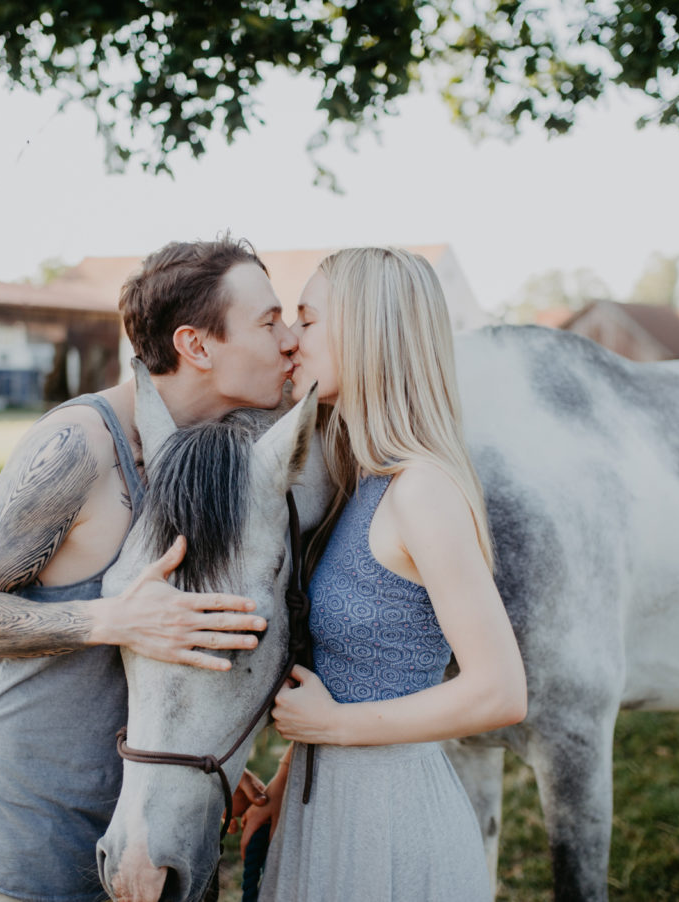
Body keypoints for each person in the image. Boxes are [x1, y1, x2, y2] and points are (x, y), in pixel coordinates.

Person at [0, 235, 297, 902]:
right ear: (197, 346)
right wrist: (114, 619)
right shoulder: (81, 444)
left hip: (141, 837)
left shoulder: (206, 461)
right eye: (270, 322)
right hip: (23, 844)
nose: (291, 340)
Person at [240, 247, 527, 901]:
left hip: (391, 827)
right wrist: (284, 788)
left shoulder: (423, 491)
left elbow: (500, 692)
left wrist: (332, 728)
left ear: (367, 332)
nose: (291, 340)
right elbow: (346, 674)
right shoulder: (362, 477)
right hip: (322, 804)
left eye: (309, 321)